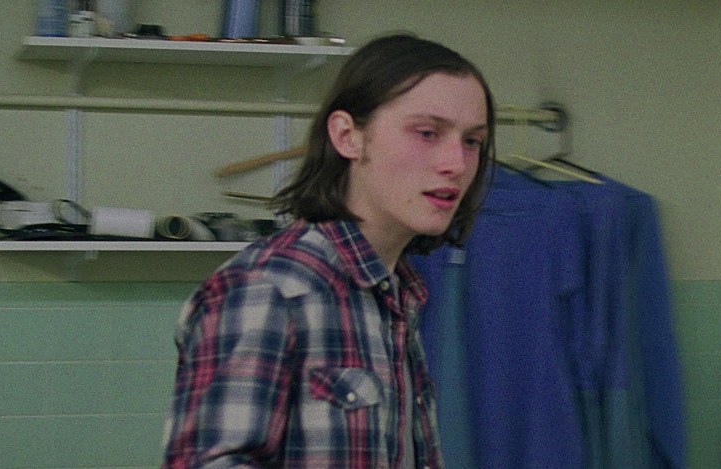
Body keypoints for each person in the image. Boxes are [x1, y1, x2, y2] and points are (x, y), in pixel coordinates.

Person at [161, 33, 497, 468]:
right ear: (347, 136)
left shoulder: (397, 293)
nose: (456, 163)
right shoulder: (269, 289)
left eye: (472, 141)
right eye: (427, 133)